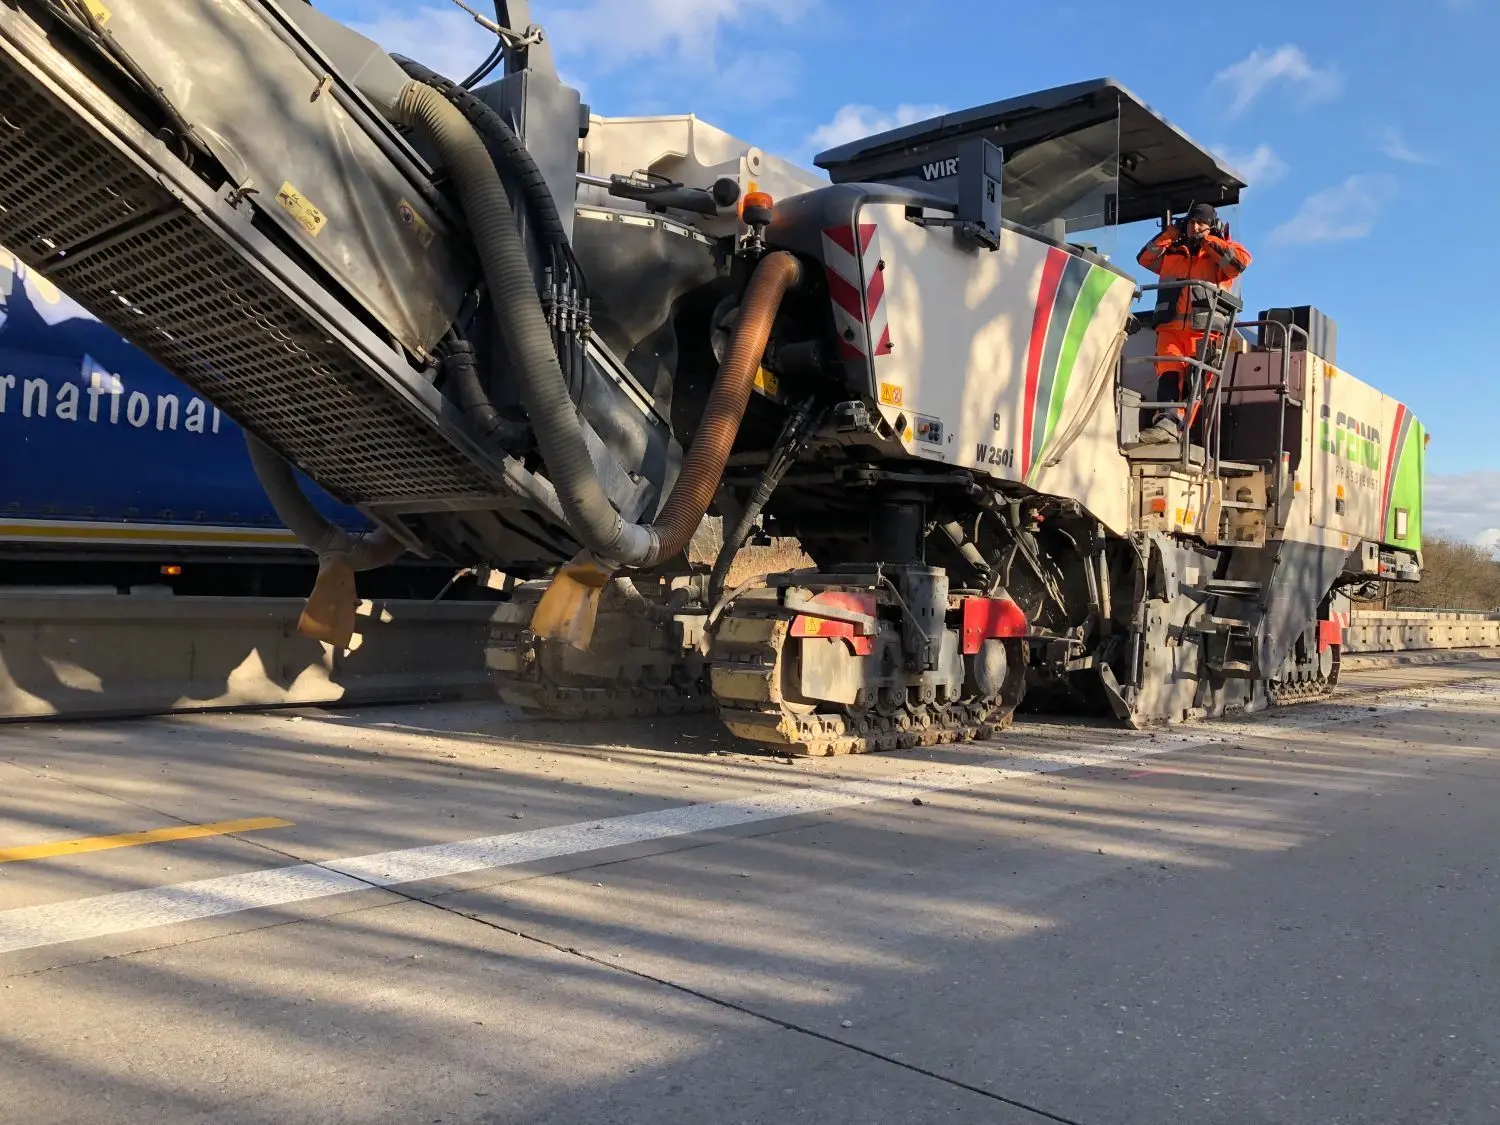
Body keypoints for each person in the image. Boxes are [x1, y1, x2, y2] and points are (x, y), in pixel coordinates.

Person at [1134, 202, 1252, 444]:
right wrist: (1169, 234)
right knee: (1168, 376)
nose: (1195, 227)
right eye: (1191, 222)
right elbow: (1144, 258)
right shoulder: (1172, 253)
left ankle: (1173, 428)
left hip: (1204, 332)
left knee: (1193, 384)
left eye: (1201, 223)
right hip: (1170, 329)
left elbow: (1238, 264)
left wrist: (1208, 240)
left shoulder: (1220, 253)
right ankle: (1166, 424)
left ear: (1212, 226)